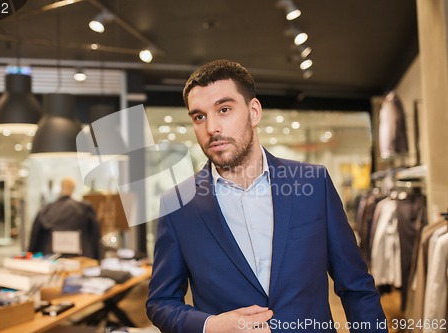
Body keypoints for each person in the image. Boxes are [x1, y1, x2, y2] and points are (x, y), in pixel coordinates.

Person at [146, 60, 387, 333]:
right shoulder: (177, 204)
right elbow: (161, 302)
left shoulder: (312, 183)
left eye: (224, 109)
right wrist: (210, 325)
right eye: (199, 116)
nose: (211, 127)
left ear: (254, 111)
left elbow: (356, 286)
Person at [29, 177, 103, 260]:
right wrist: (98, 260)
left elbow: (35, 237)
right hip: (81, 261)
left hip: (50, 259)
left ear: (61, 187)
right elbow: (95, 237)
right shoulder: (85, 209)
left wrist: (31, 258)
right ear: (73, 188)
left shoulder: (46, 209)